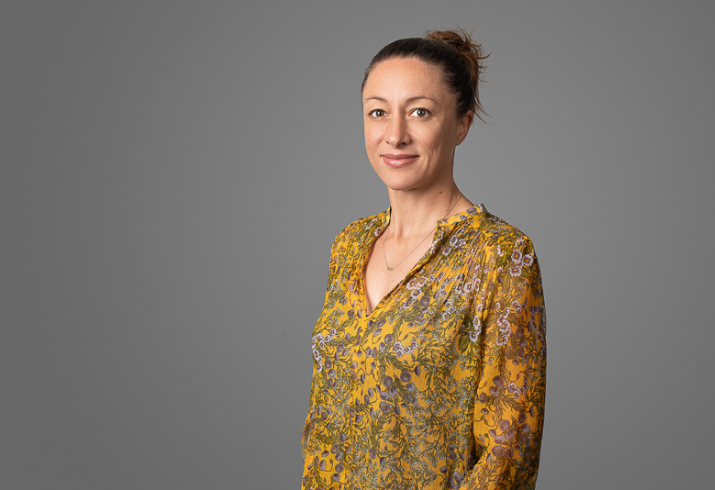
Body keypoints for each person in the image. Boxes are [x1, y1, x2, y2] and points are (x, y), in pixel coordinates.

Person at [301, 28, 546, 490]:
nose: (395, 135)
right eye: (378, 112)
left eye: (419, 112)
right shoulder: (349, 245)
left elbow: (507, 458)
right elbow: (323, 426)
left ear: (461, 125)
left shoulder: (498, 255)